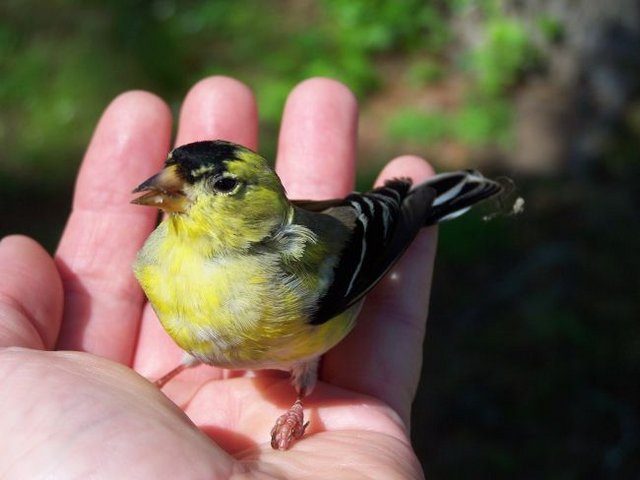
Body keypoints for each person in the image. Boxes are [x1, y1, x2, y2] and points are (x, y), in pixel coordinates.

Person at [0, 77, 434, 478]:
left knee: (304, 370)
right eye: (172, 172)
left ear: (260, 201)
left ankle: (301, 393)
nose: (169, 186)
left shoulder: (286, 276)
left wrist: (296, 406)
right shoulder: (153, 259)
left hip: (358, 240)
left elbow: (352, 252)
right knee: (189, 356)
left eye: (223, 185)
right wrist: (140, 394)